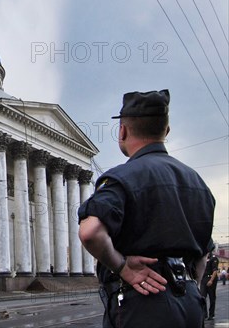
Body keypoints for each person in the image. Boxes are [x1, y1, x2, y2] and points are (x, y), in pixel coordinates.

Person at [77, 89, 215, 328]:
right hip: (191, 304)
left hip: (143, 303)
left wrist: (123, 267)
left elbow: (90, 232)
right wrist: (188, 285)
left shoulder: (123, 177)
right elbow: (203, 255)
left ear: (123, 130)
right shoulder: (198, 183)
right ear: (166, 131)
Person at [200, 251, 219, 320]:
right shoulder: (202, 258)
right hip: (203, 279)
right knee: (202, 297)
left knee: (212, 297)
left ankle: (211, 315)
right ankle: (204, 315)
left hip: (211, 279)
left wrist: (211, 280)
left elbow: (215, 270)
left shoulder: (213, 258)